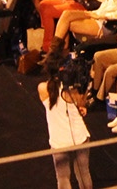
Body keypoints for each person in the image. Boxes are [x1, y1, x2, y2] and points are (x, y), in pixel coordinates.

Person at [40, 59, 93, 189]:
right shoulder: (74, 92)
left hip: (59, 142)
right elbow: (82, 103)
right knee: (83, 173)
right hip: (79, 138)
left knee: (62, 178)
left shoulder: (43, 88)